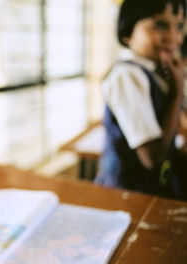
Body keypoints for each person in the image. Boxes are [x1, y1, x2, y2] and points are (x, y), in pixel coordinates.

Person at [95, 0, 187, 201]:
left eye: (179, 26)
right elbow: (153, 158)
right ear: (128, 34)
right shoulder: (126, 75)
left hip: (151, 191)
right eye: (160, 25)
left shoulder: (156, 71)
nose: (174, 37)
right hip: (124, 196)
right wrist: (177, 92)